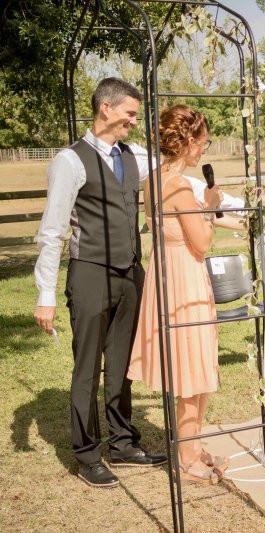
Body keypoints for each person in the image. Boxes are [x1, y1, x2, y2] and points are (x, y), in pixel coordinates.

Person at [32, 78, 167, 488]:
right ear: (105, 109)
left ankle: (123, 442)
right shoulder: (69, 161)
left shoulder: (134, 155)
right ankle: (87, 453)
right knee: (88, 367)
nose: (133, 120)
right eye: (129, 112)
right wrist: (46, 296)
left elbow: (176, 170)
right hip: (89, 272)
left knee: (122, 364)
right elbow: (52, 230)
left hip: (130, 274)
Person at [126, 104, 232, 485]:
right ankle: (186, 458)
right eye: (203, 141)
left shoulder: (153, 179)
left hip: (166, 273)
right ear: (187, 141)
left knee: (194, 366)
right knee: (193, 369)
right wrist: (212, 208)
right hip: (184, 277)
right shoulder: (180, 186)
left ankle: (194, 444)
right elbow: (202, 242)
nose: (205, 148)